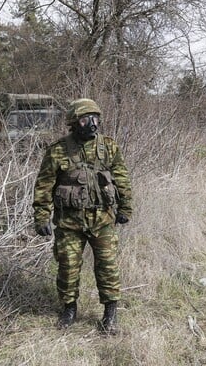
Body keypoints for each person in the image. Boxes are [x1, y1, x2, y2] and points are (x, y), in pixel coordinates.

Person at [32, 98, 133, 333]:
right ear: (74, 122)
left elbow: (122, 178)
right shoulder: (58, 150)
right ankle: (69, 309)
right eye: (86, 119)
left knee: (108, 266)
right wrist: (41, 216)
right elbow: (44, 185)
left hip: (103, 220)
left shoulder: (108, 147)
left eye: (96, 118)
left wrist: (125, 208)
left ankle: (110, 313)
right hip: (69, 222)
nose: (92, 123)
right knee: (67, 266)